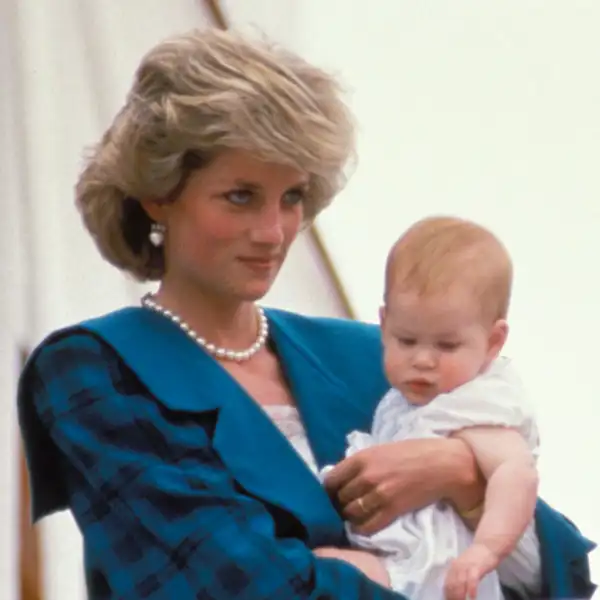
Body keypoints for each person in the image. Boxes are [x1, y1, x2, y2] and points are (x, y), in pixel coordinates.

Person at [17, 28, 594, 600]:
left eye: (291, 197)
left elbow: (561, 575)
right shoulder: (95, 370)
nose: (273, 232)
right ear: (158, 193)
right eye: (240, 196)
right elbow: (241, 589)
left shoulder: (377, 353)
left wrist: (460, 474)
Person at [318, 216, 542, 600]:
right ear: (384, 324)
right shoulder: (401, 398)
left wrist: (485, 550)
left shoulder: (477, 402)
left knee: (323, 569)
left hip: (443, 571)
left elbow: (516, 472)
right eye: (406, 340)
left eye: (446, 346)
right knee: (322, 565)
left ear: (493, 342)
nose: (423, 360)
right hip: (401, 555)